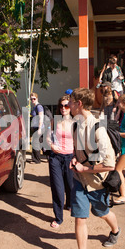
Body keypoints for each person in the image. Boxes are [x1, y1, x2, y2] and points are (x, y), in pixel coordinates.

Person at [62, 87, 120, 249]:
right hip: (80, 180)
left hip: (96, 182)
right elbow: (80, 152)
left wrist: (85, 168)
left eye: (70, 102)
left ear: (78, 104)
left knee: (102, 213)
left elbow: (110, 164)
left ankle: (115, 231)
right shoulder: (75, 124)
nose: (68, 105)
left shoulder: (98, 129)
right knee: (80, 218)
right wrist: (76, 160)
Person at [47, 95, 74, 228]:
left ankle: (69, 204)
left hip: (70, 157)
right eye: (61, 106)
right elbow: (47, 137)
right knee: (58, 188)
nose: (64, 108)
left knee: (70, 185)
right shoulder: (54, 120)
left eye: (66, 106)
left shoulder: (76, 122)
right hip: (55, 158)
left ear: (71, 107)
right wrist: (52, 146)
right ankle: (58, 218)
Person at [30, 92, 44, 163]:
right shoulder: (34, 107)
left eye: (34, 99)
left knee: (36, 143)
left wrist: (39, 128)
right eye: (31, 99)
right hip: (35, 127)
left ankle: (37, 160)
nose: (32, 100)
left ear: (37, 98)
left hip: (39, 128)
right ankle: (35, 158)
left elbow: (41, 117)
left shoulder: (39, 107)